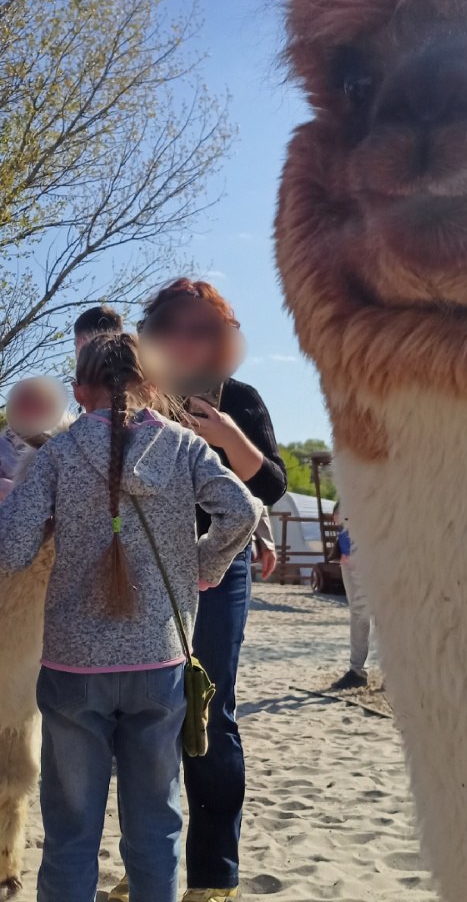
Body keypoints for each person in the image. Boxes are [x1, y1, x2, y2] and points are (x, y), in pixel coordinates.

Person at [0, 333, 261, 902]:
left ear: (78, 390)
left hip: (72, 668)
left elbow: (11, 550)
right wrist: (204, 569)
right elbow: (244, 510)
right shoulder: (185, 448)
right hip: (159, 662)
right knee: (155, 824)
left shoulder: (58, 455)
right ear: (153, 385)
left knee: (70, 830)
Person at [137, 279, 287, 901]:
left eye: (205, 328)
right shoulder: (134, 400)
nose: (189, 339)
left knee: (209, 712)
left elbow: (273, 487)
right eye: (174, 325)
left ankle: (213, 875)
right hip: (143, 573)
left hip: (219, 575)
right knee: (147, 718)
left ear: (224, 340)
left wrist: (229, 437)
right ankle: (149, 864)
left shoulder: (241, 399)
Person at [331, 501, 372, 690]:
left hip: (364, 557)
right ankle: (359, 669)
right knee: (362, 614)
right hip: (356, 556)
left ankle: (359, 669)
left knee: (364, 613)